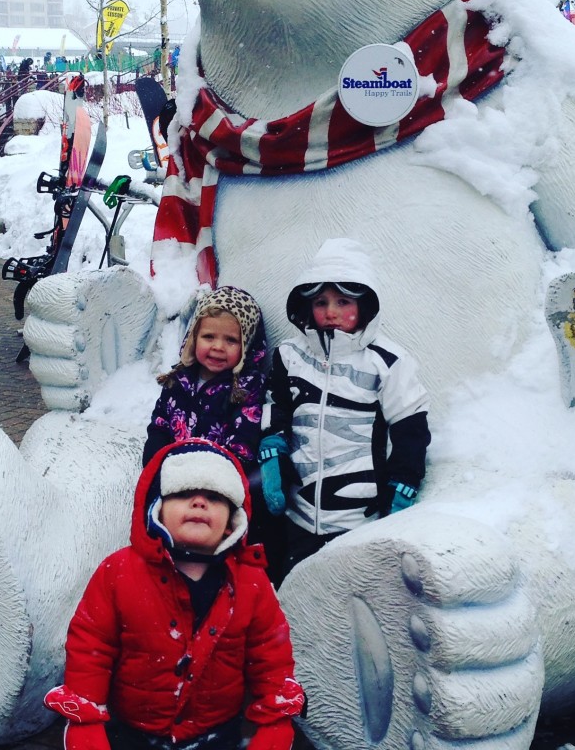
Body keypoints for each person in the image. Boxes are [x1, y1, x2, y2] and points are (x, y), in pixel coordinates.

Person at [44, 439, 305, 750]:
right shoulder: (119, 572)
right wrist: (85, 718)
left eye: (214, 496)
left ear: (231, 520)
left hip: (217, 734)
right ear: (157, 507)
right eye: (183, 493)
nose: (199, 502)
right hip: (131, 733)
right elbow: (91, 647)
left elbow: (270, 656)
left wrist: (274, 719)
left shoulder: (252, 582)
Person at [258, 237, 431, 579]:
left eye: (343, 301)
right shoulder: (290, 356)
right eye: (321, 302)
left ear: (365, 305)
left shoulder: (389, 362)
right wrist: (271, 448)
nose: (331, 312)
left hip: (359, 519)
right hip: (298, 513)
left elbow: (411, 426)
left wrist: (404, 482)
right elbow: (274, 406)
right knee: (292, 591)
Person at [143, 286, 268, 471]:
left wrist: (209, 475)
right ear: (194, 338)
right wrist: (156, 460)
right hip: (173, 471)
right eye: (208, 337)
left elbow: (243, 444)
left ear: (246, 345)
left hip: (216, 480)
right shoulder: (179, 380)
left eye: (231, 340)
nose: (218, 346)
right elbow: (161, 423)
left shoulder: (246, 387)